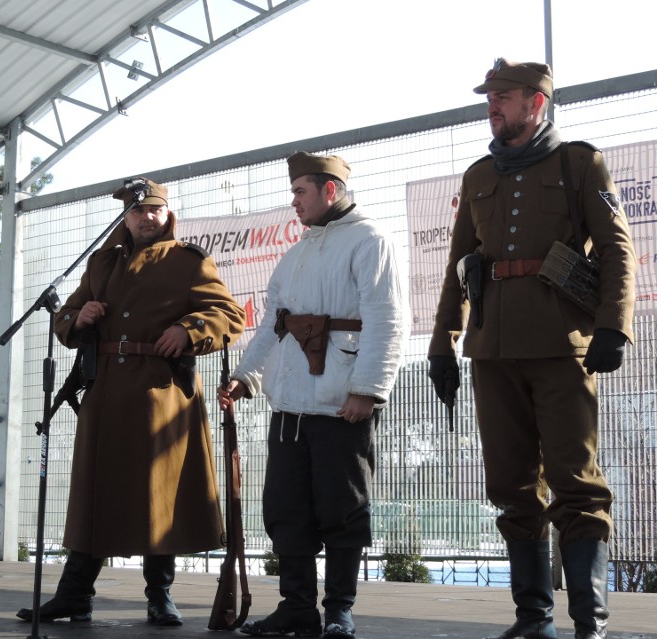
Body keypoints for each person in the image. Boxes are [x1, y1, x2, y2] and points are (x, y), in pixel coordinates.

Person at [428, 59, 636, 639]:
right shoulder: (476, 176)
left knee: (577, 483)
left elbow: (619, 249)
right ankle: (532, 617)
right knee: (511, 486)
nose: (491, 106)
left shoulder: (579, 163)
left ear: (535, 103)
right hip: (492, 351)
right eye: (489, 98)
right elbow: (459, 266)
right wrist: (444, 343)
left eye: (502, 97)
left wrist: (613, 327)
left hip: (561, 348)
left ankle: (589, 621)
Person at [15, 178, 246, 627]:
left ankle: (160, 596)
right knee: (94, 493)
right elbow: (66, 316)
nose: (146, 218)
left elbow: (229, 315)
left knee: (156, 498)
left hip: (161, 398)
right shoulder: (101, 263)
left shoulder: (188, 261)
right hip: (104, 396)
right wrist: (77, 319)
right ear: (125, 217)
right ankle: (74, 594)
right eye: (138, 212)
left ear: (167, 214)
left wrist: (189, 329)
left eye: (153, 211)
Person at [218, 152, 408, 639]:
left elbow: (388, 323)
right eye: (294, 191)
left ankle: (338, 611)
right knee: (287, 509)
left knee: (342, 509)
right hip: (289, 406)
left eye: (301, 191)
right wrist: (245, 376)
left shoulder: (369, 241)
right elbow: (271, 327)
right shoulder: (296, 254)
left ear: (329, 191)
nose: (294, 201)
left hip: (342, 404)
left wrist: (368, 390)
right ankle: (298, 607)